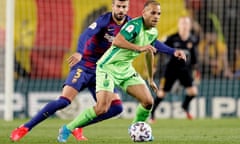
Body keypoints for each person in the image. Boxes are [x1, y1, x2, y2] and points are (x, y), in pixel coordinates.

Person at [57, 0, 186, 142]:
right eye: (153, 13)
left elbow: (150, 52)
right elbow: (117, 41)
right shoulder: (134, 25)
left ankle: (135, 128)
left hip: (125, 69)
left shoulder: (152, 32)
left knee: (148, 101)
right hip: (108, 67)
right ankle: (67, 128)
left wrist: (151, 77)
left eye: (159, 14)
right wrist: (139, 48)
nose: (156, 16)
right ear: (144, 13)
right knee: (102, 108)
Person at [10, 0, 131, 142]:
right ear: (113, 6)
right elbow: (85, 35)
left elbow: (146, 39)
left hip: (102, 71)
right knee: (64, 101)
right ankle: (24, 128)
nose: (121, 10)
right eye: (118, 6)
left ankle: (75, 126)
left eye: (124, 7)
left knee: (116, 108)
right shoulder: (104, 20)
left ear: (127, 8)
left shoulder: (130, 26)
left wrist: (160, 49)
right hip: (84, 66)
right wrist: (80, 52)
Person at [149, 16, 199, 122]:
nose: (184, 26)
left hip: (185, 70)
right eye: (182, 23)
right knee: (162, 93)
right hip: (170, 70)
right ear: (179, 25)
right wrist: (153, 64)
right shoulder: (172, 38)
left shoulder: (193, 39)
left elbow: (194, 58)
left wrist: (196, 71)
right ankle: (152, 114)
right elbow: (158, 49)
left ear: (189, 26)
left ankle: (184, 106)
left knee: (193, 92)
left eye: (186, 24)